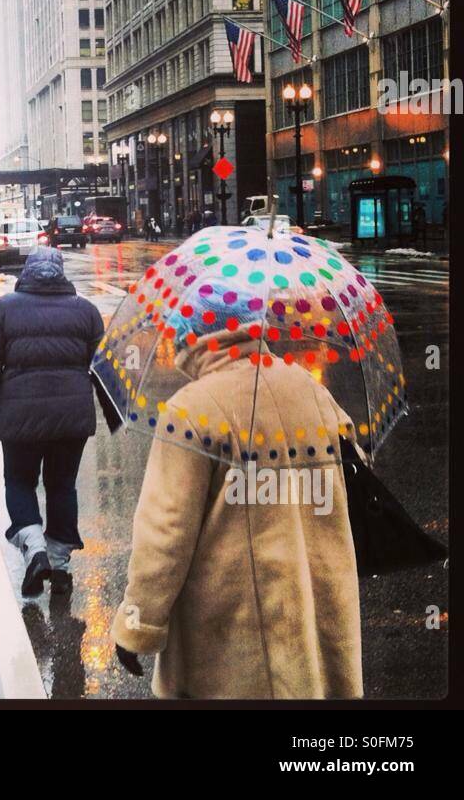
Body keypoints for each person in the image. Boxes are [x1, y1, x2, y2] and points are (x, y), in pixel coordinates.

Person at [110, 294, 364, 699]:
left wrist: (139, 623)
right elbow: (352, 478)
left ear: (194, 334)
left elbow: (165, 531)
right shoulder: (308, 389)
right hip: (314, 619)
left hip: (232, 634)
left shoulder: (191, 410)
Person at [0, 247, 106, 598]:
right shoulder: (86, 312)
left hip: (19, 414)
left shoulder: (6, 308)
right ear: (61, 274)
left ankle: (35, 550)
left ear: (27, 273)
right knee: (62, 486)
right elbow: (105, 369)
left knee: (19, 481)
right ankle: (59, 565)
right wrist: (112, 409)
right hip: (72, 418)